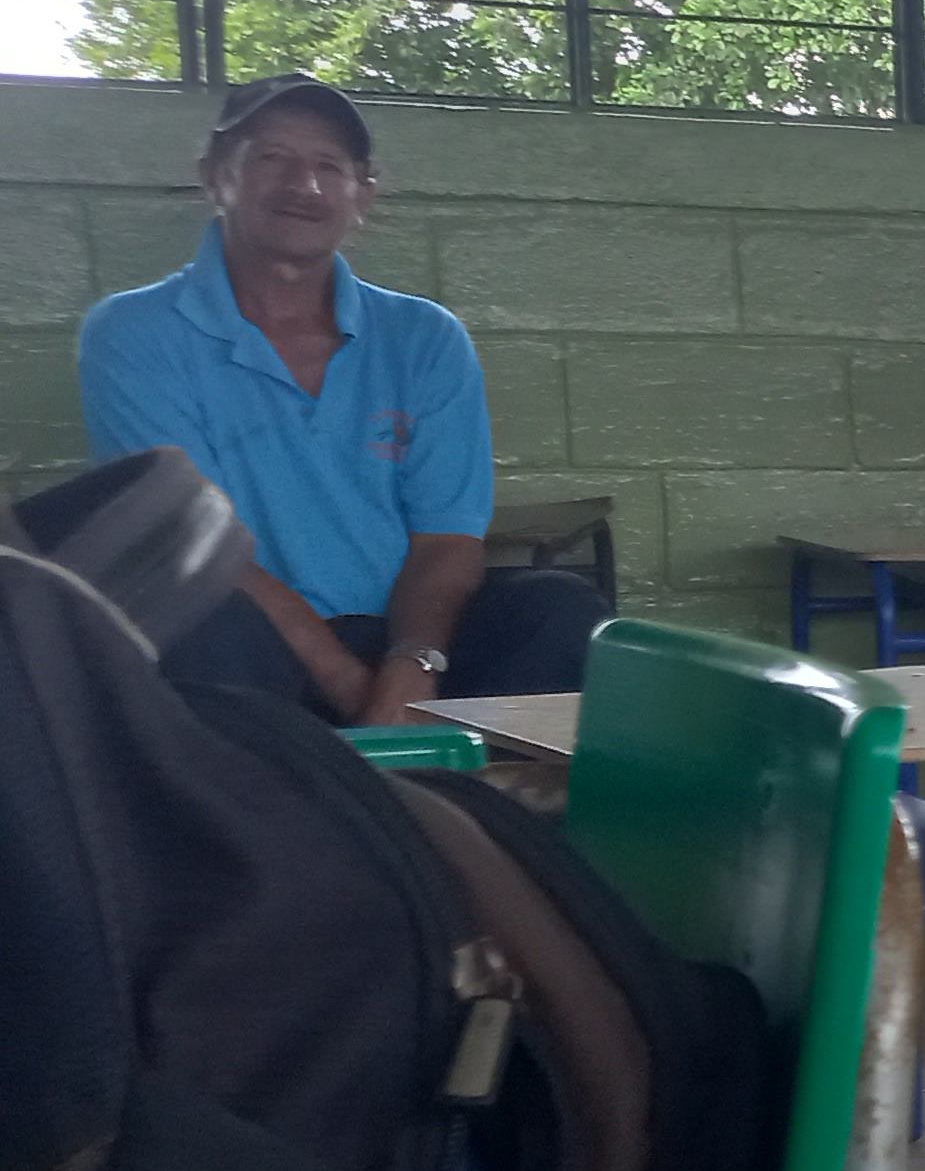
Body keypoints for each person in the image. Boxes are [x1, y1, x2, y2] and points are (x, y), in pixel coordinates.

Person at [78, 75, 599, 721]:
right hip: (253, 645)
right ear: (214, 176)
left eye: (330, 165)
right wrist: (352, 688)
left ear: (363, 196)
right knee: (203, 634)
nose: (304, 185)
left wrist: (413, 666)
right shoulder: (133, 332)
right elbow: (194, 543)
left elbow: (445, 540)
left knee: (560, 608)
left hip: (402, 638)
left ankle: (462, 775)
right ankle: (374, 771)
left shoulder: (423, 336)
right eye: (272, 157)